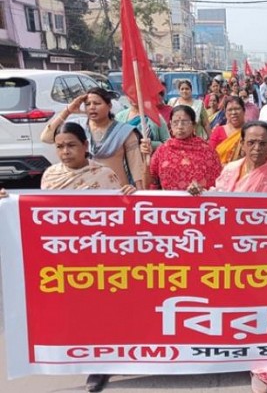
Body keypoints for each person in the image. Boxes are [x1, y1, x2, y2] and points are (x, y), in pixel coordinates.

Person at [187, 121, 267, 393]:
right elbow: (217, 202)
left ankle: (264, 367)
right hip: (229, 254)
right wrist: (199, 193)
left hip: (264, 256)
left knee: (263, 312)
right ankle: (230, 354)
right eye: (251, 142)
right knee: (231, 309)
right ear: (242, 143)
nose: (256, 148)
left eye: (262, 143)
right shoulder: (230, 170)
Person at [8, 121, 135, 393]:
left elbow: (121, 218)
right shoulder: (50, 176)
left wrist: (129, 196)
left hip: (98, 256)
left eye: (71, 145)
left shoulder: (104, 175)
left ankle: (100, 365)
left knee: (100, 310)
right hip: (65, 258)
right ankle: (81, 357)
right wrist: (10, 202)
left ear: (85, 146)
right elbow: (41, 215)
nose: (65, 152)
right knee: (74, 313)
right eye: (60, 147)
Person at [40, 87, 145, 189]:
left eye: (97, 103)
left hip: (115, 189)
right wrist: (68, 110)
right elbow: (46, 138)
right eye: (87, 104)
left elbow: (136, 167)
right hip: (82, 190)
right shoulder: (78, 126)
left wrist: (140, 192)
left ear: (109, 106)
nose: (92, 107)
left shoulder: (124, 131)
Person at [149, 105, 221, 191]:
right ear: (170, 125)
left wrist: (201, 190)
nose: (180, 126)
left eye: (184, 122)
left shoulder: (207, 151)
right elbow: (153, 181)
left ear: (194, 125)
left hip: (201, 198)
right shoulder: (163, 150)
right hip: (169, 199)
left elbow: (216, 181)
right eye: (175, 122)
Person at [209, 96, 246, 165]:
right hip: (221, 169)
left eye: (237, 109)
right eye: (230, 110)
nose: (233, 112)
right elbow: (210, 155)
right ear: (225, 113)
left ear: (244, 111)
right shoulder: (218, 131)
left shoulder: (250, 130)